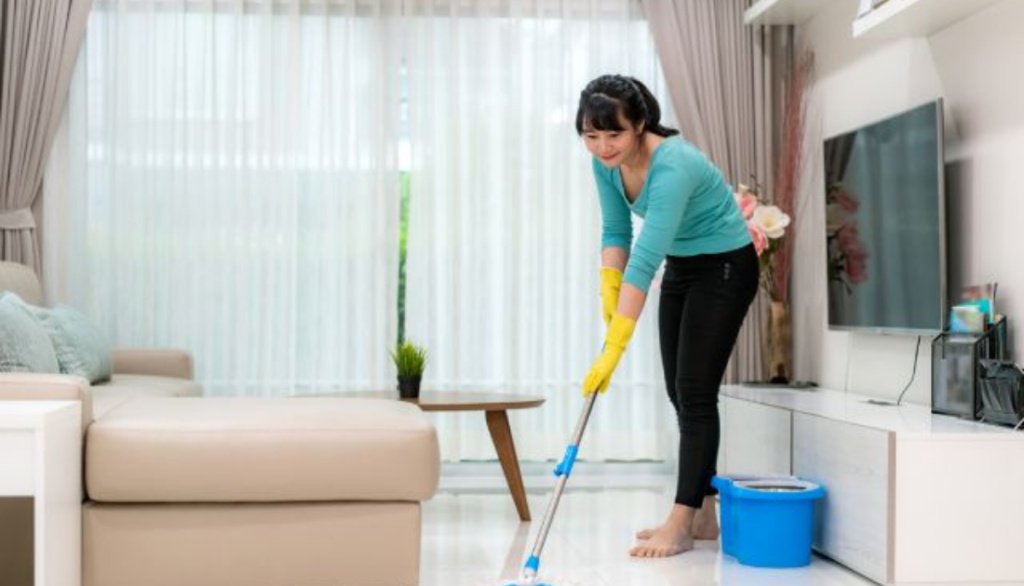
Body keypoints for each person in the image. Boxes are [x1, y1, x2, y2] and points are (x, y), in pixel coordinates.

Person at [576, 74, 759, 558]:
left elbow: (645, 256)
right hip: (683, 266)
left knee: (697, 395)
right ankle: (702, 513)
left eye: (613, 134)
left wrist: (615, 344)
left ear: (639, 123)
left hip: (724, 267)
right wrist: (607, 288)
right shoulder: (606, 164)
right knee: (680, 392)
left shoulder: (674, 164)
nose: (602, 146)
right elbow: (617, 231)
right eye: (591, 136)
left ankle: (678, 523)